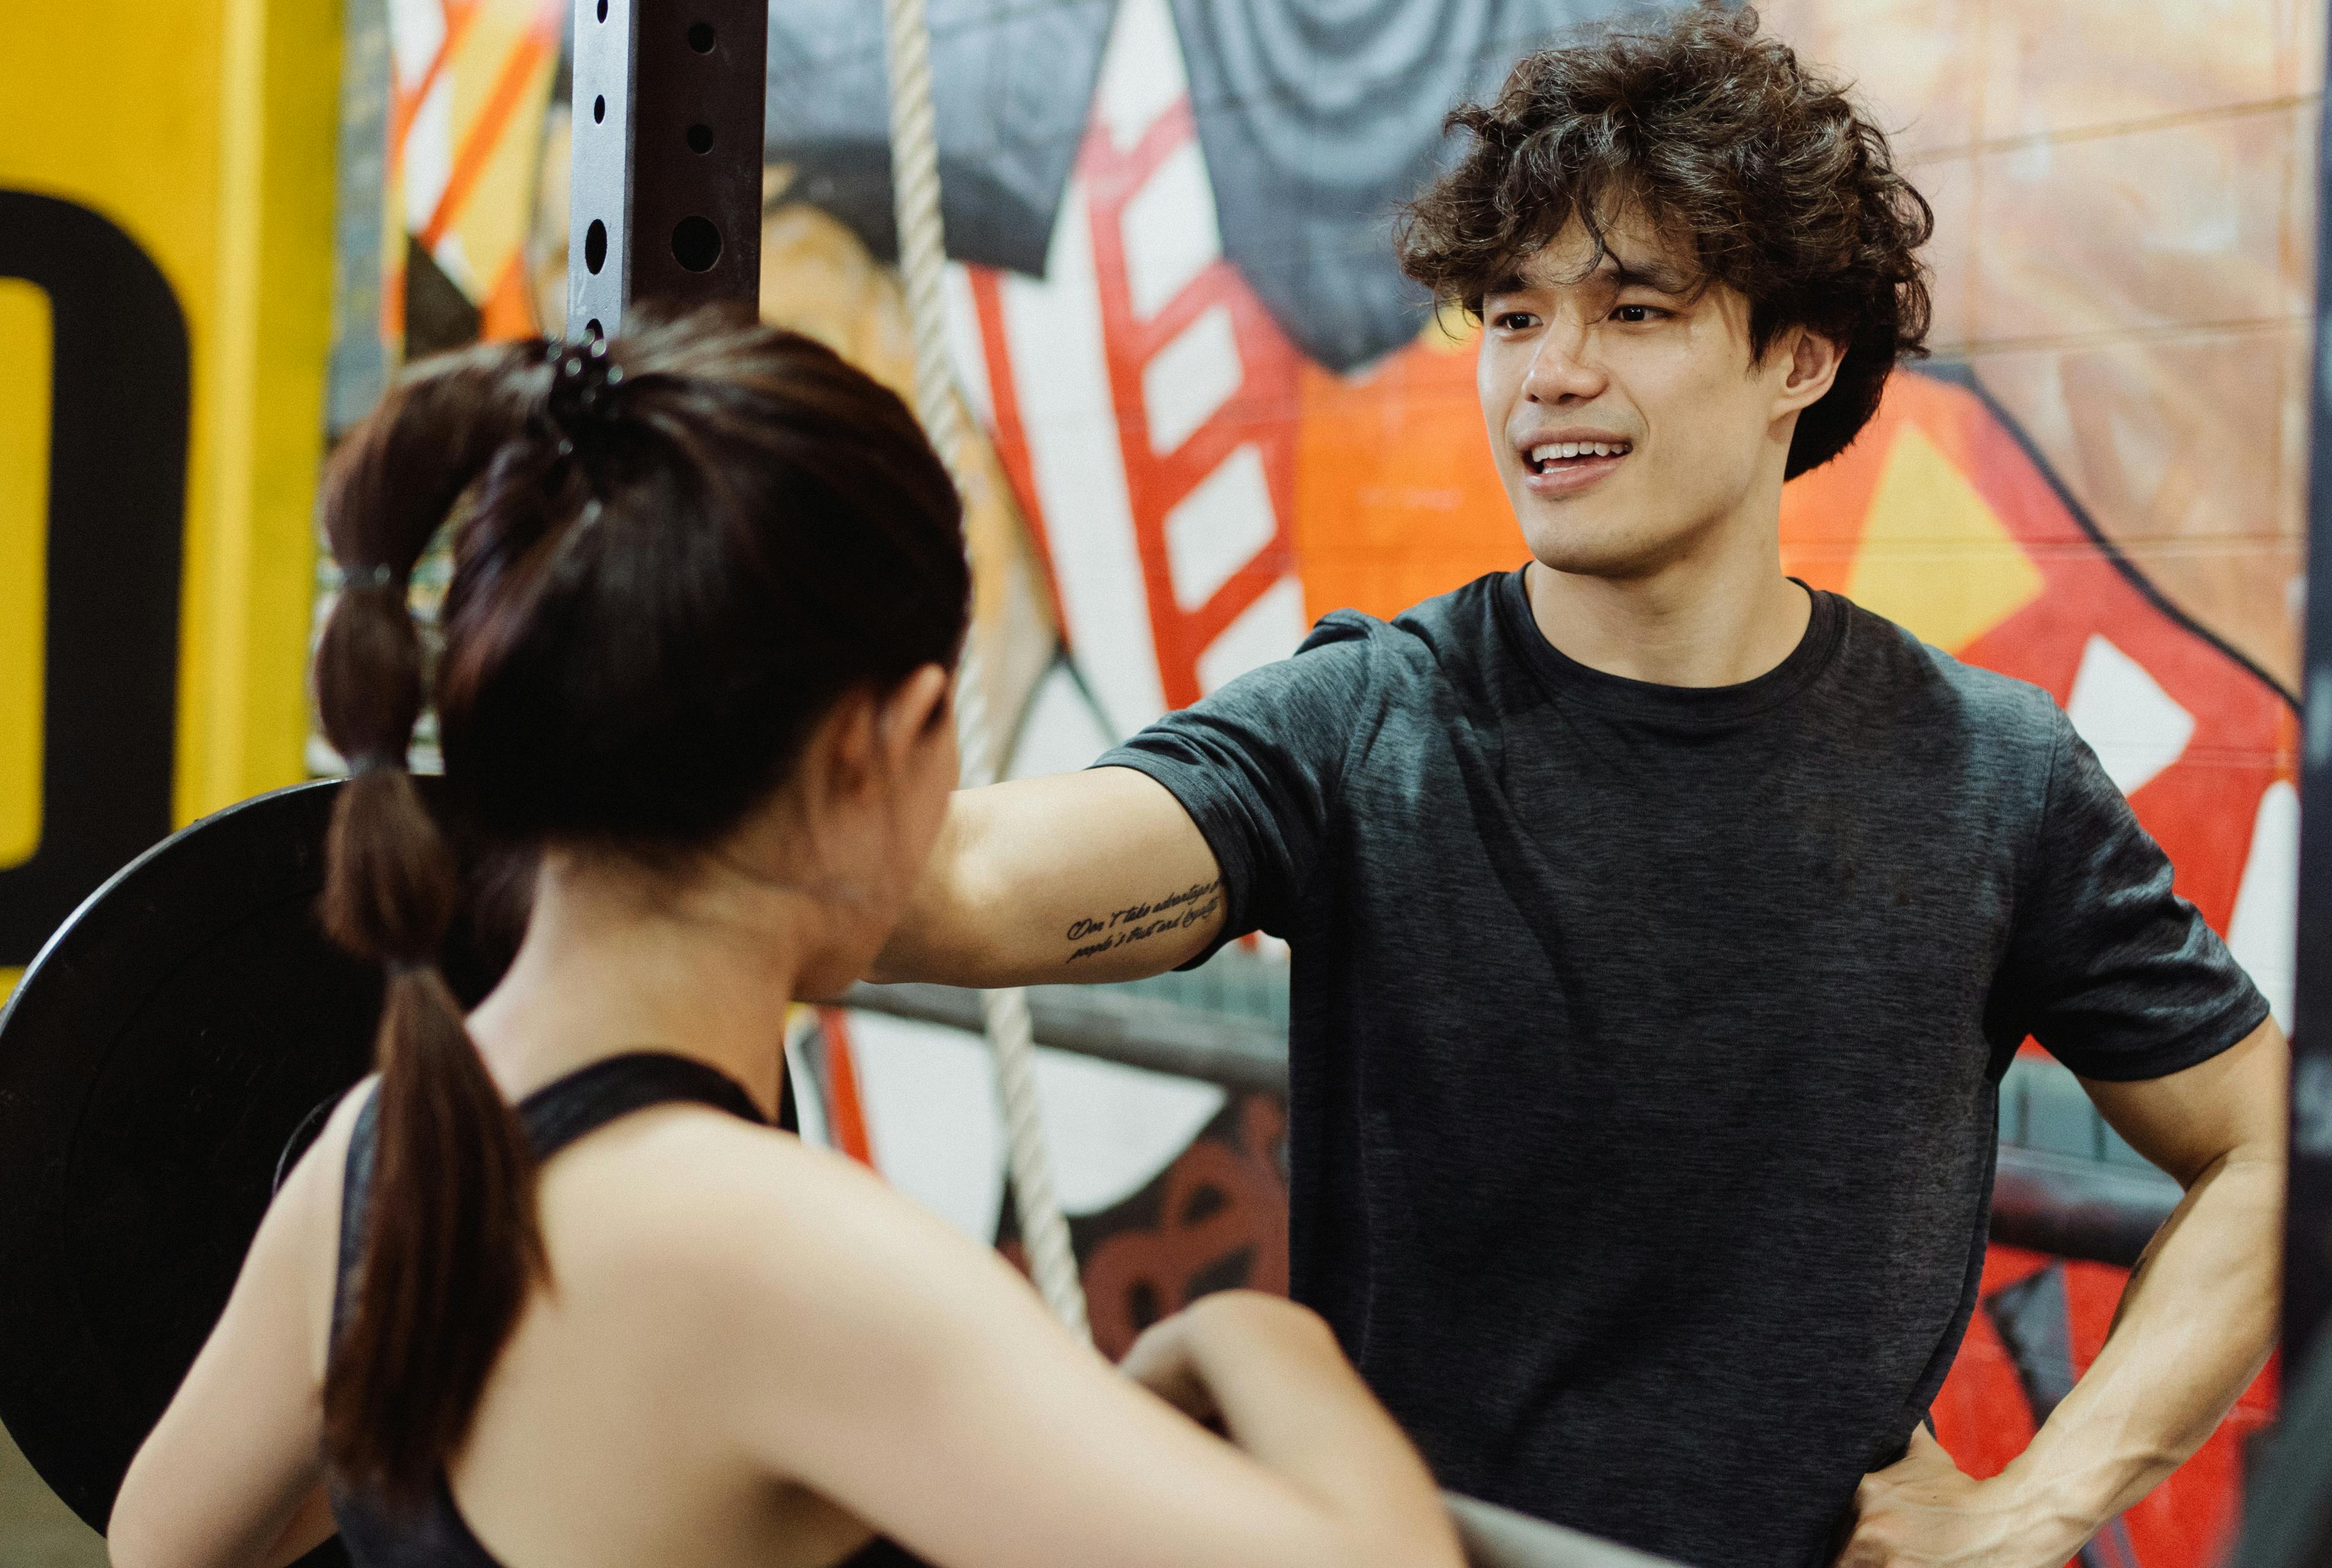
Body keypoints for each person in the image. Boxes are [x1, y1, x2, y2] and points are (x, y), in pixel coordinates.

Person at [867, 2, 2289, 1568]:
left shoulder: (1991, 773)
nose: (1550, 373)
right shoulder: (1369, 723)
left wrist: (2038, 1504)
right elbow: (981, 879)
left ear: (1796, 357)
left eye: (1633, 310)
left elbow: (2261, 1146)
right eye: (1516, 315)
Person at [106, 311, 1464, 1568]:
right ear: (880, 744)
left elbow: (159, 1544)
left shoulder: (378, 1149)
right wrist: (1256, 1338)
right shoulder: (776, 1260)